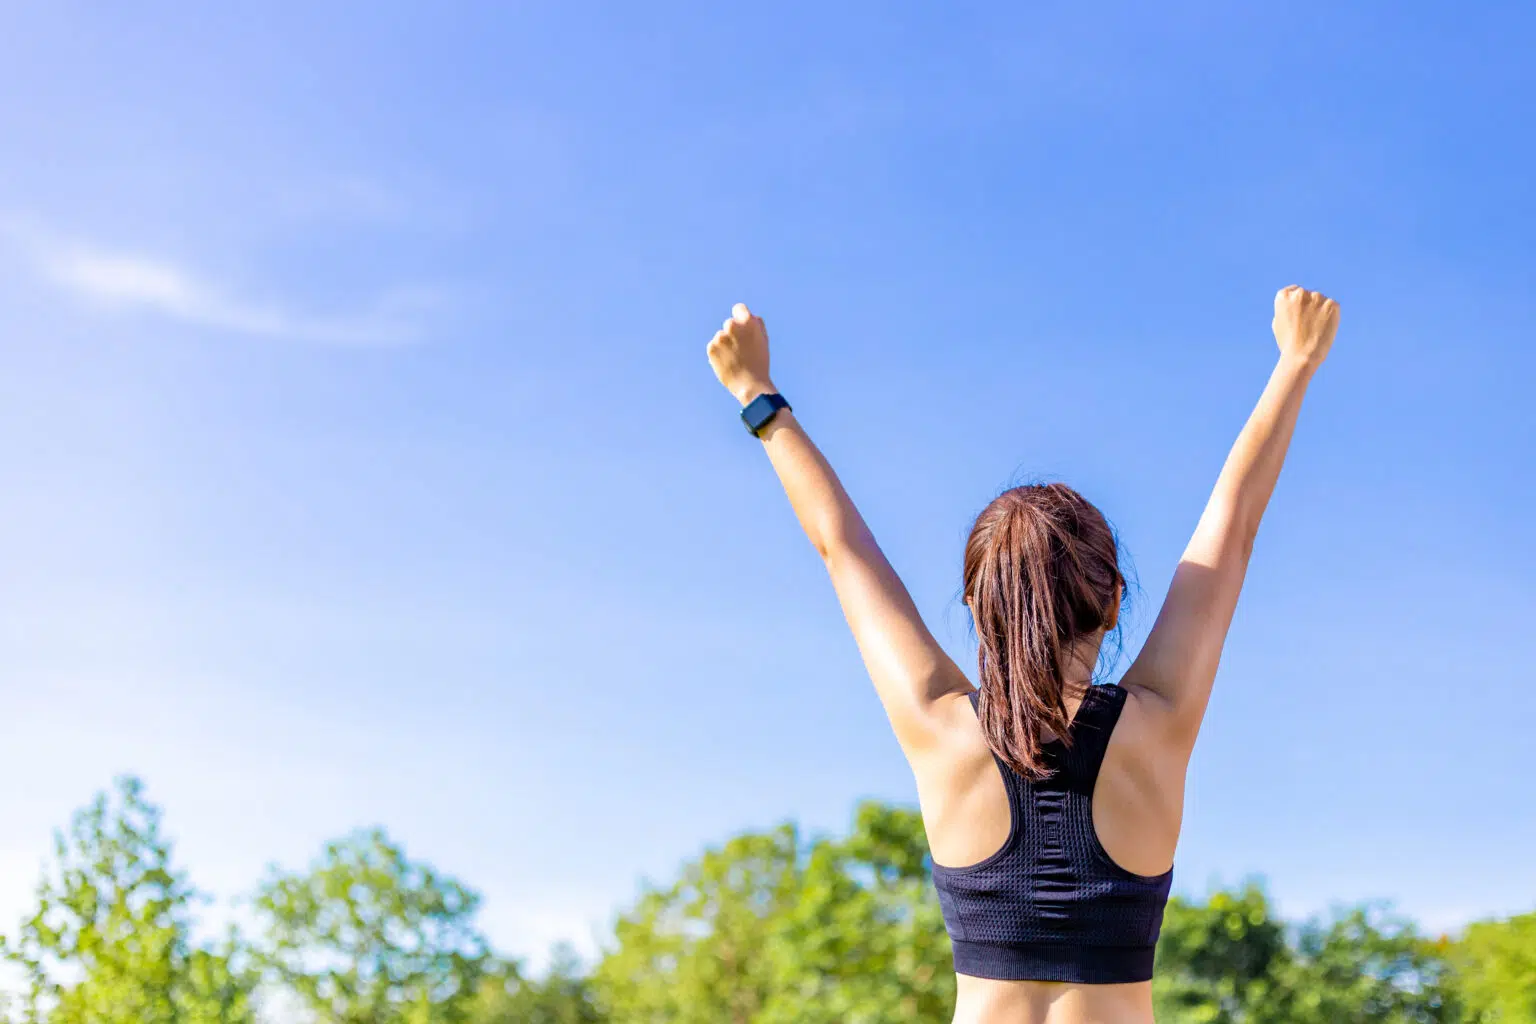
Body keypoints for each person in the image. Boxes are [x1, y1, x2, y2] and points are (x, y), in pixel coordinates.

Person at [705, 285, 1340, 1024]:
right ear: (1111, 603)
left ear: (977, 608)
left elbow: (842, 548)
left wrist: (759, 395)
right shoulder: (1157, 724)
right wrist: (1295, 362)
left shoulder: (940, 731)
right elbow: (1233, 533)